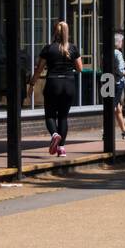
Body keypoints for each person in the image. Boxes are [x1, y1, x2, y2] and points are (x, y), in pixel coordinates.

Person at [30, 21, 82, 157]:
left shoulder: (48, 49)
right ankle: (62, 149)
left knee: (50, 115)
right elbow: (80, 68)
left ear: (54, 32)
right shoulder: (73, 48)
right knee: (63, 117)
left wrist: (31, 84)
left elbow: (38, 69)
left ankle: (54, 135)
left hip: (53, 83)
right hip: (69, 84)